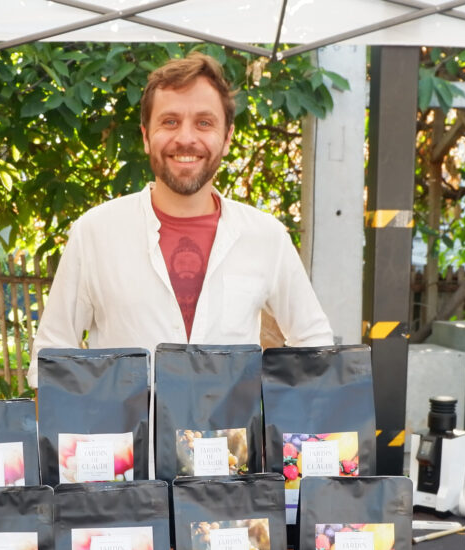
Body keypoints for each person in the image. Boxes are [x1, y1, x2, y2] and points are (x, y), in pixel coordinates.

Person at [29, 52, 334, 383]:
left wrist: (277, 408)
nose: (186, 138)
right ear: (146, 137)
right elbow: (51, 358)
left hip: (233, 420)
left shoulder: (266, 236)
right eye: (170, 121)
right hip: (126, 420)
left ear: (227, 138)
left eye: (204, 123)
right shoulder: (95, 232)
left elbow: (313, 342)